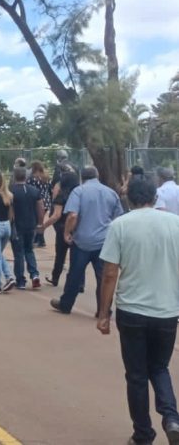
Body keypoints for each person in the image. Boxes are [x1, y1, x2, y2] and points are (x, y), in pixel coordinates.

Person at [97, 178, 179, 445]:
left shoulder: (120, 225)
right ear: (154, 198)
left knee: (136, 375)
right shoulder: (175, 224)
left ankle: (143, 434)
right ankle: (171, 417)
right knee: (159, 367)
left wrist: (103, 313)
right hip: (167, 310)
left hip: (132, 311)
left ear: (129, 199)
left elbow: (110, 273)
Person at [51, 166, 123, 315]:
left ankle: (66, 304)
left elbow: (72, 216)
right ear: (97, 175)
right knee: (103, 277)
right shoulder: (110, 193)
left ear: (82, 178)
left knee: (75, 275)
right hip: (103, 242)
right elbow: (118, 218)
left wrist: (67, 232)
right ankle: (103, 309)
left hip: (82, 241)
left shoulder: (79, 191)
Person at [41, 172, 80, 287]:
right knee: (76, 257)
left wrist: (44, 226)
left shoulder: (61, 196)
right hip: (76, 228)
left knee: (60, 256)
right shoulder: (79, 196)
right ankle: (80, 283)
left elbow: (56, 215)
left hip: (62, 228)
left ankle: (55, 278)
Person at [10, 167, 44, 290]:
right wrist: (40, 223)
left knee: (18, 253)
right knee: (29, 250)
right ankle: (34, 274)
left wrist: (10, 223)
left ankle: (20, 280)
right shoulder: (34, 191)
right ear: (26, 177)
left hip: (17, 226)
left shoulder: (11, 191)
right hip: (31, 225)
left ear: (14, 177)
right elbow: (40, 207)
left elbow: (10, 211)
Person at [28, 161, 51, 247]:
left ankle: (38, 239)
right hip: (46, 201)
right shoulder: (46, 177)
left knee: (36, 221)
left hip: (37, 201)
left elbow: (30, 190)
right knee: (40, 220)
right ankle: (40, 239)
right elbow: (50, 188)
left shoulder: (32, 178)